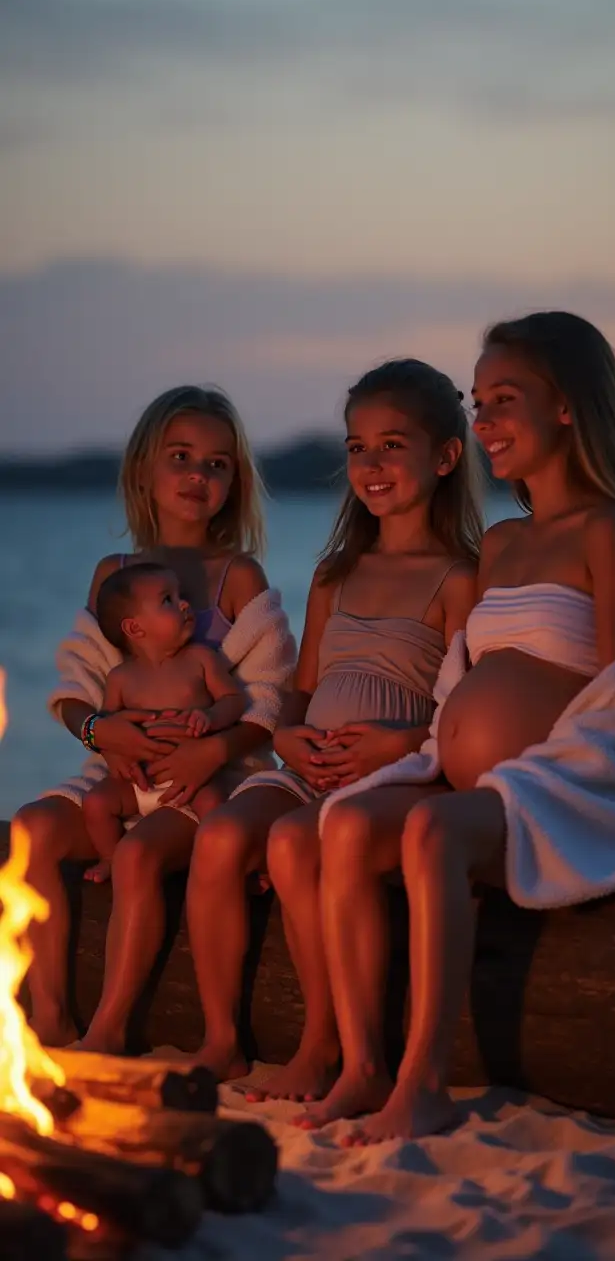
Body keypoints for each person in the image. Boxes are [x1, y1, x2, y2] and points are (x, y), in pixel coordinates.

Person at [309, 310, 615, 1140]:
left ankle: (424, 1083)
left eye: (503, 400)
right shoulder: (498, 544)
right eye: (476, 400)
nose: (484, 420)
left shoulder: (609, 530)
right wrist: (428, 747)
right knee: (347, 824)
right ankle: (361, 1065)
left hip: (556, 789)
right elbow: (465, 675)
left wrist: (524, 773)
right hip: (477, 787)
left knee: (430, 832)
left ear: (566, 406)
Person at [185, 358, 484, 1084]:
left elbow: (467, 710)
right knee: (224, 831)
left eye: (392, 444)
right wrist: (285, 733)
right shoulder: (335, 571)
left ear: (446, 456)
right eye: (356, 447)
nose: (371, 463)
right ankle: (233, 1036)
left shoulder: (462, 575)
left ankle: (330, 1043)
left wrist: (401, 744)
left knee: (291, 844)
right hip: (306, 763)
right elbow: (303, 687)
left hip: (395, 773)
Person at [12, 384, 295, 1050]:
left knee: (138, 853)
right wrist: (98, 732)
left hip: (208, 780)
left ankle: (110, 1028)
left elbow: (271, 703)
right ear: (145, 467)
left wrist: (211, 753)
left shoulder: (240, 579)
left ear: (236, 480)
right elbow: (79, 688)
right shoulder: (115, 574)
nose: (198, 475)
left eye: (218, 463)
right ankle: (51, 1015)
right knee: (30, 831)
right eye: (181, 457)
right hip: (123, 773)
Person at [82, 561, 249, 884]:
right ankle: (109, 856)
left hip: (190, 780)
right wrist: (114, 755)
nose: (185, 604)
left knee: (215, 804)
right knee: (95, 802)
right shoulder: (120, 677)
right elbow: (107, 725)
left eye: (180, 595)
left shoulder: (200, 659)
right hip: (139, 781)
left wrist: (211, 717)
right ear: (134, 628)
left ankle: (231, 866)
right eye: (167, 600)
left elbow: (235, 700)